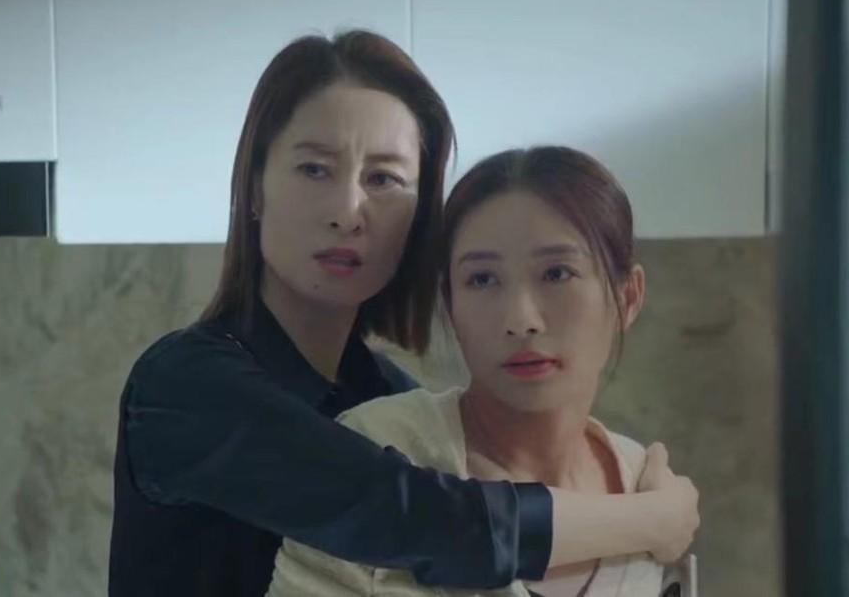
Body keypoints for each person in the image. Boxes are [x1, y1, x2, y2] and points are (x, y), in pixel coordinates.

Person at [108, 30, 699, 597]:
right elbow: (416, 518)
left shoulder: (390, 401)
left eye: (384, 178)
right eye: (315, 169)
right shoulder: (185, 385)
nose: (347, 211)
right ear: (255, 188)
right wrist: (652, 520)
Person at [268, 146, 691, 596]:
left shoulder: (645, 479)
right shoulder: (379, 451)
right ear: (450, 306)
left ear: (627, 297)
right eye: (482, 279)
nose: (520, 320)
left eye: (557, 273)